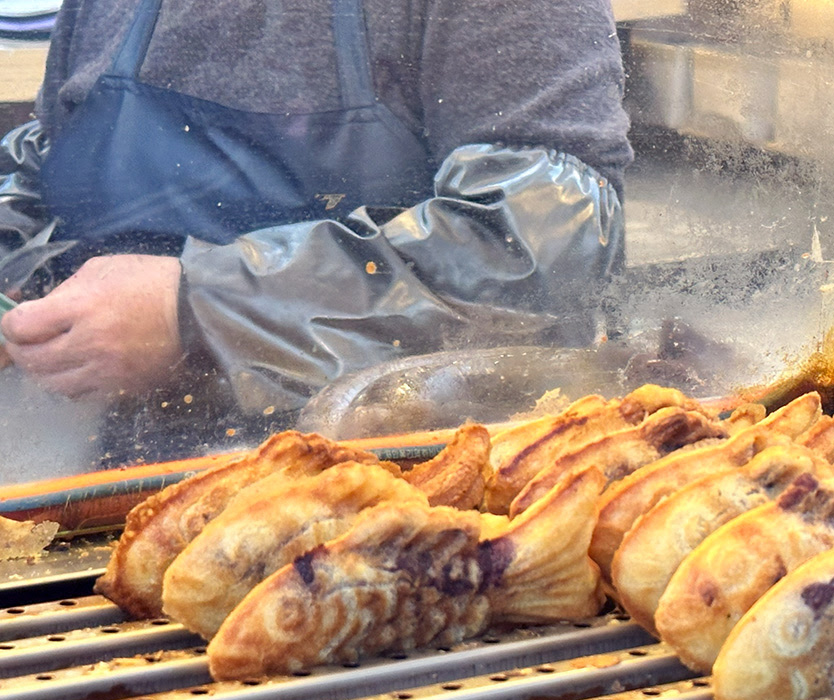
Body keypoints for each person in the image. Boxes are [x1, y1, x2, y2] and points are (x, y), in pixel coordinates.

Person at [0, 0, 633, 464]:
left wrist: (205, 312)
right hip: (120, 494)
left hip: (419, 501)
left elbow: (544, 242)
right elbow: (49, 160)